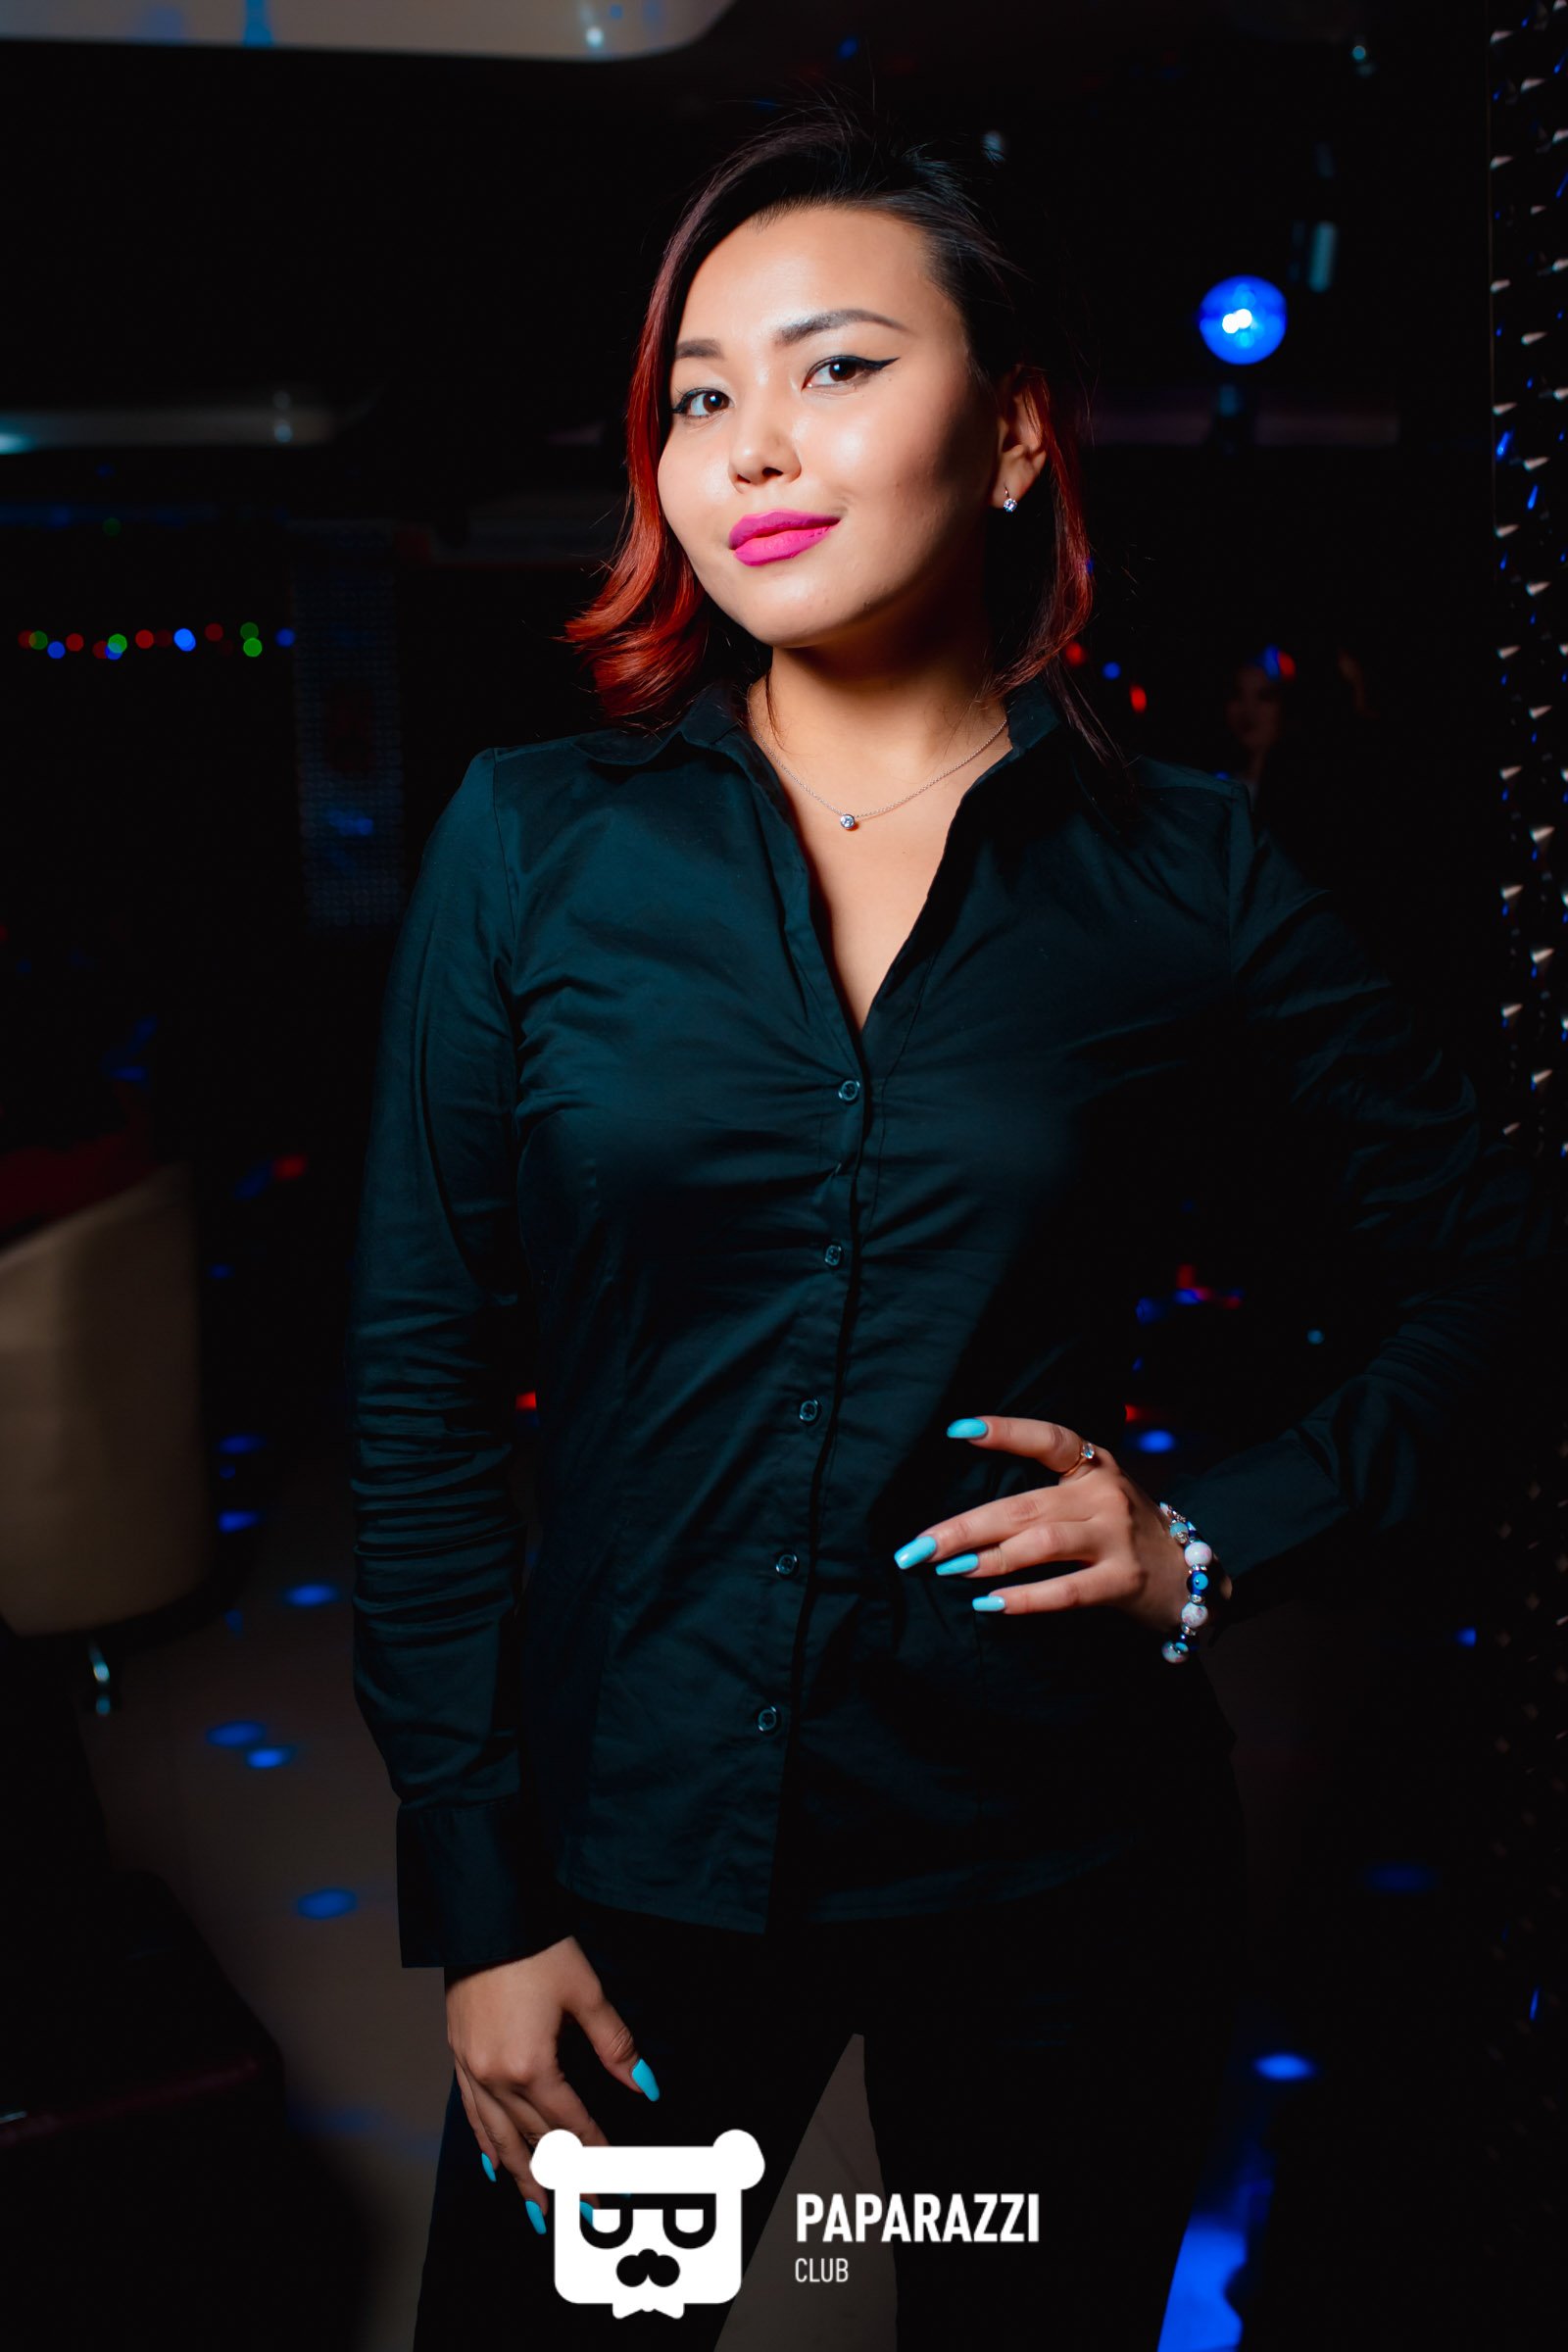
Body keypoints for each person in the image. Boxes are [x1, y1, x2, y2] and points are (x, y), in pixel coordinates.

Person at [344, 103, 1552, 2348]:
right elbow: (414, 1379)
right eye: (698, 395)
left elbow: (1493, 1257)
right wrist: (483, 1895)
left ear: (1006, 437)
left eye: (833, 368)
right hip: (629, 1865)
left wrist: (1222, 1530)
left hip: (1051, 1875)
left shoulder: (1181, 870)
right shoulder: (533, 843)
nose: (749, 446)